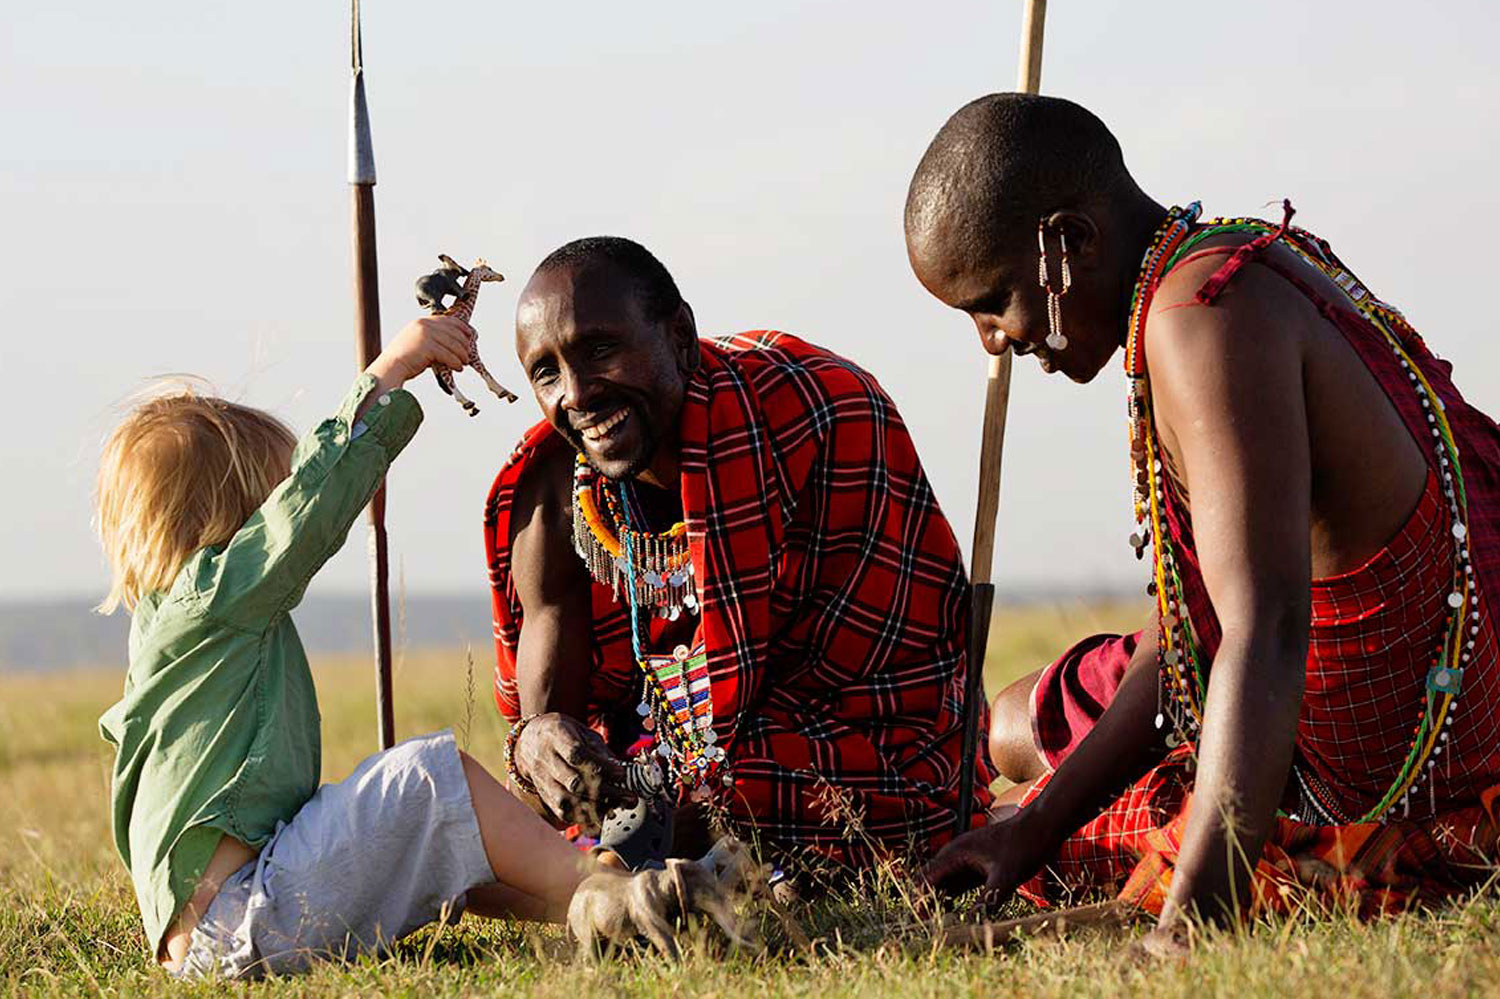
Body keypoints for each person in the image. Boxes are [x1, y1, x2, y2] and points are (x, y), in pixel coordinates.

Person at [904, 93, 1500, 945]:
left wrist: (1193, 921)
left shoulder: (1199, 319)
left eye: (993, 301)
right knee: (1013, 738)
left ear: (1068, 243)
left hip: (1401, 801)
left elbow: (1265, 629)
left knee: (1067, 799)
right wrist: (1028, 832)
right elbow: (1197, 633)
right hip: (1369, 731)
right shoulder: (1227, 262)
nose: (993, 341)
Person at [96, 316, 628, 979]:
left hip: (222, 931)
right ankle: (614, 893)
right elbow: (308, 508)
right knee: (430, 779)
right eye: (267, 499)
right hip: (243, 917)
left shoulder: (168, 635)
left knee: (437, 835)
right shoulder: (210, 599)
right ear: (226, 519)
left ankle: (595, 899)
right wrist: (392, 368)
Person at [485, 236, 990, 869]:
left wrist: (682, 786)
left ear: (680, 335)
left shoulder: (812, 413)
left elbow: (889, 685)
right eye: (546, 372)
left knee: (717, 802)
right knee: (510, 806)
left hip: (840, 748)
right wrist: (540, 744)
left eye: (601, 350)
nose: (578, 393)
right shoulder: (559, 480)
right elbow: (548, 670)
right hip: (662, 757)